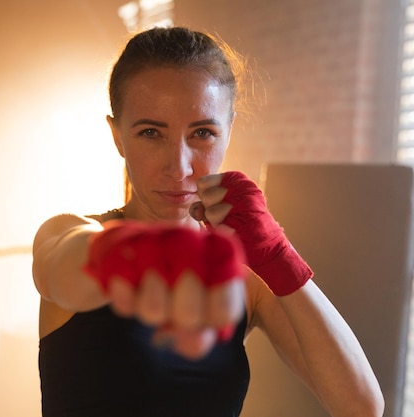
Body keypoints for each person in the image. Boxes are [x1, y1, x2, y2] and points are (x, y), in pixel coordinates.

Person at [32, 26, 384, 417]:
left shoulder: (251, 276)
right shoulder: (68, 233)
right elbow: (67, 273)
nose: (178, 166)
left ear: (228, 130)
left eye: (202, 133)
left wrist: (277, 254)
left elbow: (361, 406)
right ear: (117, 137)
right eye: (151, 132)